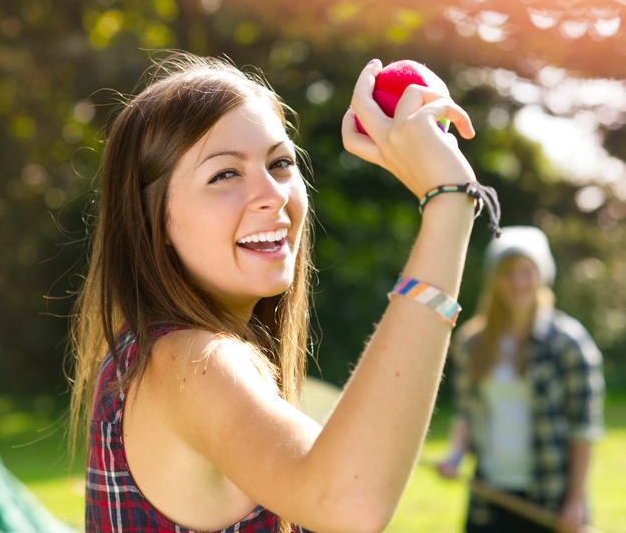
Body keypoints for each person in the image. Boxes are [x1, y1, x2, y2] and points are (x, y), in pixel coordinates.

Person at [69, 51, 497, 533]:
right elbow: (346, 502)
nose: (272, 193)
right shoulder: (194, 363)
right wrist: (449, 200)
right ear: (156, 220)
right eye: (225, 173)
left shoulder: (148, 355)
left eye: (280, 162)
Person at [436, 226, 605, 533]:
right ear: (494, 279)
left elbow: (584, 428)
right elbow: (466, 414)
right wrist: (455, 455)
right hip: (490, 496)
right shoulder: (473, 343)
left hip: (550, 496)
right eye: (507, 273)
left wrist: (575, 500)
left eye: (527, 271)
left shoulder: (569, 343)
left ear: (542, 275)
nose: (518, 282)